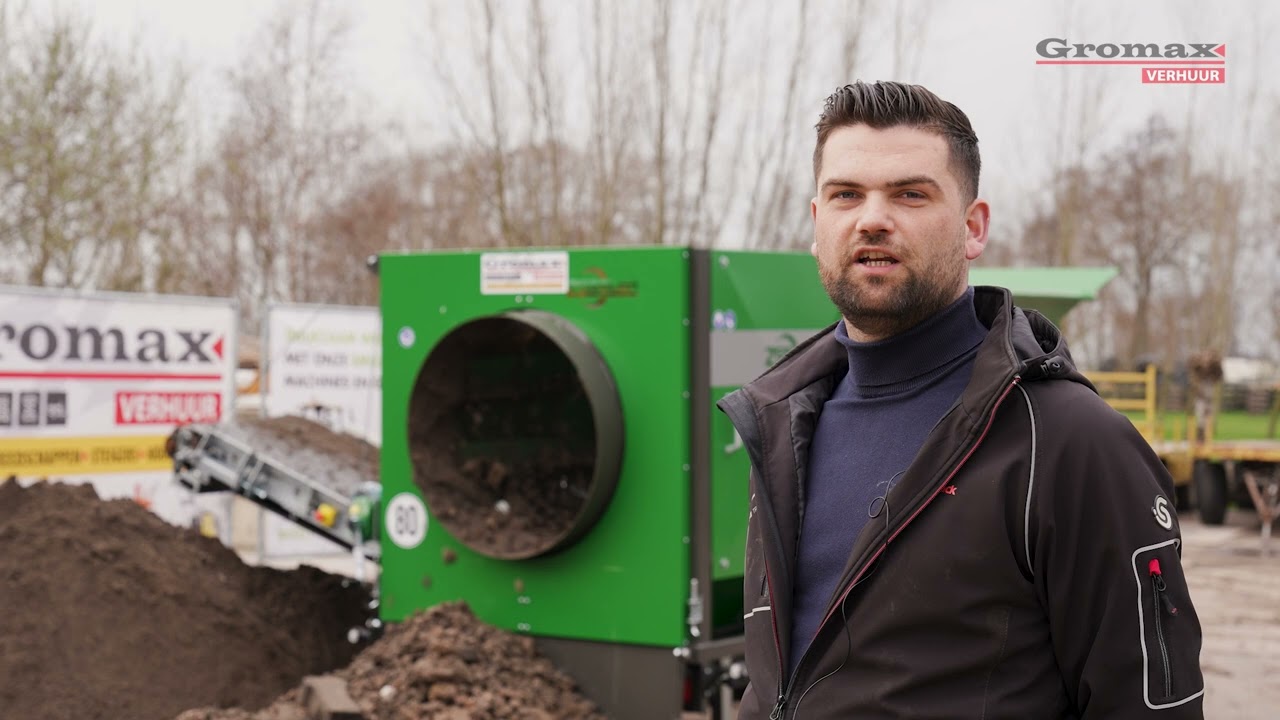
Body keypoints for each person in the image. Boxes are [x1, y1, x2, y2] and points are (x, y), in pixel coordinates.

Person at [718, 81, 1204, 719]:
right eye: (846, 195)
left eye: (910, 194)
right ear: (817, 226)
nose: (871, 218)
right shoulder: (782, 425)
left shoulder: (1068, 443)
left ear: (973, 228)